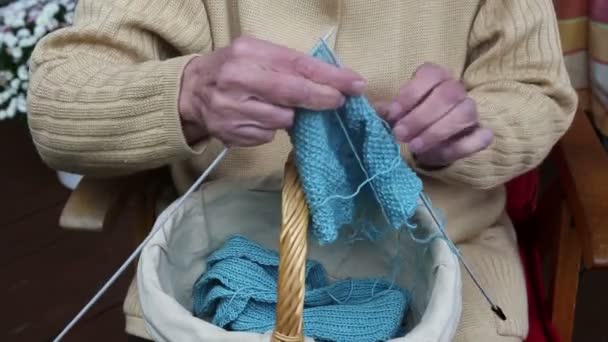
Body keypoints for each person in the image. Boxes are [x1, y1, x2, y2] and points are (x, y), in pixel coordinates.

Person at [27, 1, 577, 341]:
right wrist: (187, 95)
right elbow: (56, 104)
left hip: (448, 256)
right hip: (219, 255)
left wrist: (467, 131)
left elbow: (536, 92)